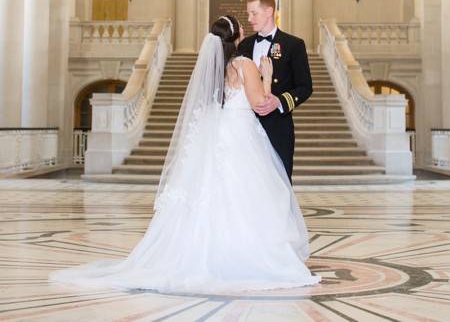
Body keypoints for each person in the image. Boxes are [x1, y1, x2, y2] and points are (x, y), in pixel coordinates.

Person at [50, 15, 320, 293]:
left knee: (211, 192)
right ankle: (245, 253)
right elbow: (259, 104)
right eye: (241, 25)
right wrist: (265, 77)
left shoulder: (215, 68)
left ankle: (204, 251)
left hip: (218, 131)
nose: (245, 26)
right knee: (249, 192)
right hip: (242, 133)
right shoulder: (245, 65)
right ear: (237, 36)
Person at [239, 0, 313, 180]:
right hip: (246, 124)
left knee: (279, 182)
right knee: (247, 180)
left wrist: (279, 102)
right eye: (248, 14)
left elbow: (305, 87)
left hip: (278, 125)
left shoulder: (293, 45)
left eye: (254, 13)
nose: (249, 19)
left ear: (269, 11)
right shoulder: (244, 45)